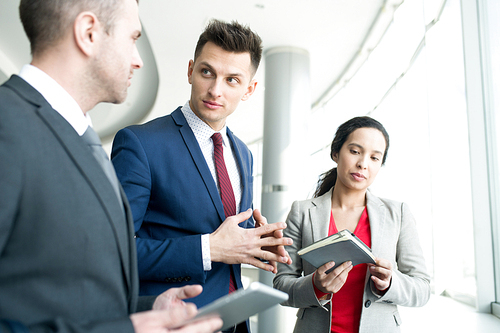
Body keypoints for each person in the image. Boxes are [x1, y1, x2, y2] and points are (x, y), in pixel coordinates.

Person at [0, 0, 223, 332]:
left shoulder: (77, 135)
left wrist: (146, 309)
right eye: (132, 38)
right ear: (89, 32)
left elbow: (55, 288)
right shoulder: (8, 125)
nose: (138, 60)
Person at [111, 19, 292, 333]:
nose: (215, 90)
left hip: (235, 320)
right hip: (176, 321)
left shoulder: (244, 154)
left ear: (249, 89)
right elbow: (114, 251)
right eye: (207, 72)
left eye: (232, 80)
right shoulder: (140, 144)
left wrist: (255, 241)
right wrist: (209, 249)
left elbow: (226, 230)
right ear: (191, 70)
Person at [273, 116, 430, 333]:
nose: (363, 164)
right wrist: (315, 287)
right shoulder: (303, 212)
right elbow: (282, 285)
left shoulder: (398, 214)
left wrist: (391, 283)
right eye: (355, 151)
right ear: (336, 153)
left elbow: (422, 289)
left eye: (375, 158)